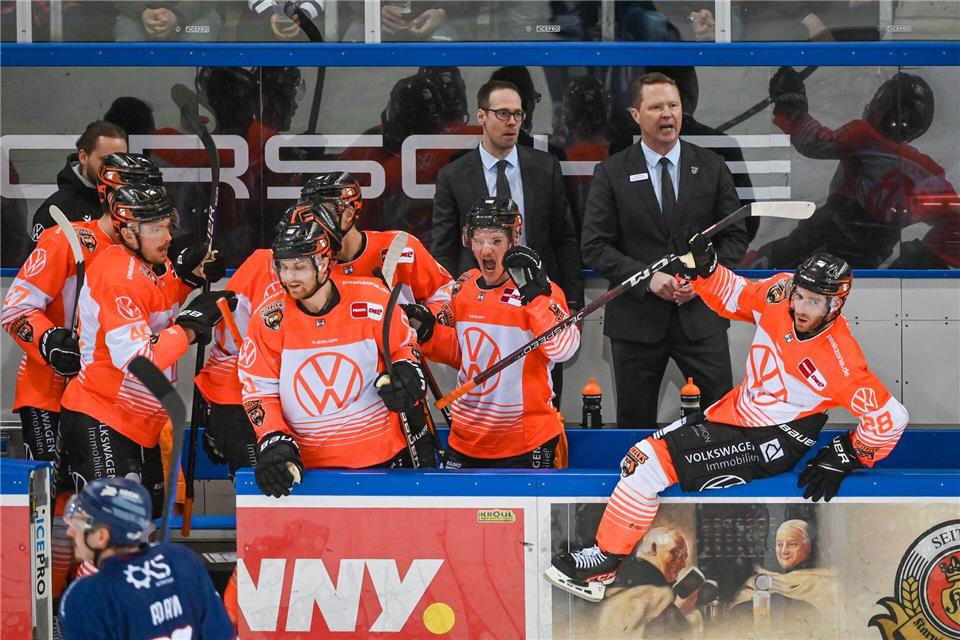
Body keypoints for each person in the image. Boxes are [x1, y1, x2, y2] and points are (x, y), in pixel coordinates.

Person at [545, 247, 909, 602]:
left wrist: (849, 454)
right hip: (734, 413)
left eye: (814, 301)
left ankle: (605, 563)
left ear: (835, 305)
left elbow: (891, 417)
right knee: (640, 460)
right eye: (800, 295)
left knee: (644, 463)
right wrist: (707, 267)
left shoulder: (840, 359)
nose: (800, 307)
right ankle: (608, 558)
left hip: (772, 440)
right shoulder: (781, 293)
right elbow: (736, 295)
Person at [581, 71, 747, 428]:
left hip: (702, 319)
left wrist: (703, 279)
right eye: (656, 107)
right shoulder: (611, 172)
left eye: (673, 105)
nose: (667, 114)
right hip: (636, 325)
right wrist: (648, 280)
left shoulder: (712, 167)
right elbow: (594, 247)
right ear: (636, 115)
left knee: (723, 421)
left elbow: (735, 239)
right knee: (634, 426)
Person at [58, 183, 230, 514]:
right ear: (129, 233)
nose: (167, 237)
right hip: (103, 417)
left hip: (138, 424)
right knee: (110, 532)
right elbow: (138, 359)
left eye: (167, 225)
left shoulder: (146, 266)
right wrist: (191, 330)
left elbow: (156, 306)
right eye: (155, 229)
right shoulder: (117, 275)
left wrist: (188, 279)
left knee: (142, 528)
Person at [237, 205, 430, 498]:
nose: (289, 277)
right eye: (283, 266)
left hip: (383, 460)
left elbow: (404, 347)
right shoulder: (268, 319)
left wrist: (407, 372)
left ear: (325, 265)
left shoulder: (374, 298)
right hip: (308, 472)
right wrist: (273, 438)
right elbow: (258, 390)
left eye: (299, 266)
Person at [433, 79, 583, 403]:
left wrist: (571, 303)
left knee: (541, 393)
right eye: (502, 113)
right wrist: (444, 303)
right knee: (483, 393)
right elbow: (443, 248)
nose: (512, 121)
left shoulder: (545, 168)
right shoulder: (454, 175)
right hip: (478, 307)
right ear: (481, 116)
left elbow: (565, 238)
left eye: (518, 114)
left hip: (536, 302)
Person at [409, 196, 580, 468]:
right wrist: (428, 334)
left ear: (514, 241)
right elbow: (466, 355)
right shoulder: (463, 287)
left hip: (527, 440)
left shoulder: (543, 291)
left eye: (496, 241)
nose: (486, 251)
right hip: (465, 439)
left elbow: (563, 350)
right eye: (479, 240)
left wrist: (536, 299)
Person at [743, 67, 959, 269]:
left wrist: (790, 102)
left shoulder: (864, 136)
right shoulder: (929, 173)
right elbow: (955, 221)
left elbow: (813, 141)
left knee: (764, 264)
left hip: (827, 235)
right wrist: (926, 258)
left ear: (881, 104)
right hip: (870, 257)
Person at [59, 477, 235, 639]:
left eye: (79, 524)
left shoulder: (85, 594)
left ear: (101, 536)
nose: (70, 531)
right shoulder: (181, 559)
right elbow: (221, 634)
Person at [592, 528, 706, 638]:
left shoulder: (656, 586)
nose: (682, 563)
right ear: (653, 549)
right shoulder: (653, 591)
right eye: (676, 553)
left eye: (684, 557)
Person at [31, 120, 128, 242]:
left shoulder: (132, 202)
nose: (115, 168)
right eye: (106, 160)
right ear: (83, 157)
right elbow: (39, 258)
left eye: (122, 160)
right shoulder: (57, 209)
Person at [728, 519, 834, 629]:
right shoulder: (758, 580)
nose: (784, 551)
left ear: (807, 548)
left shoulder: (825, 582)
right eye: (779, 544)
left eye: (792, 544)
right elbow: (736, 619)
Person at [113, 2, 223, 42]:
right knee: (128, 49)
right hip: (135, 15)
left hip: (194, 14)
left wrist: (178, 15)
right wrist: (140, 11)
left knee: (199, 47)